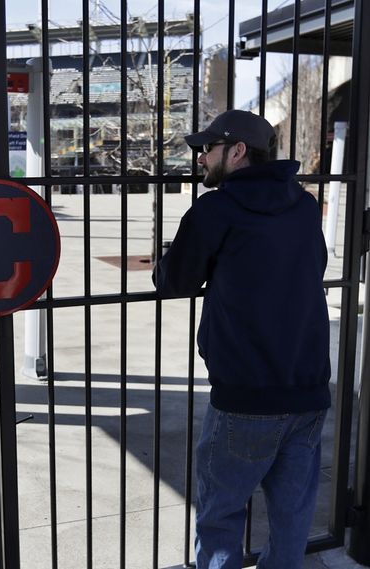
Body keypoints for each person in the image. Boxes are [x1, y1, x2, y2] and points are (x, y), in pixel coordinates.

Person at [153, 109, 330, 568]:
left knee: (221, 517)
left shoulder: (217, 208)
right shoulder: (305, 204)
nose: (200, 159)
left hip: (245, 396)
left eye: (205, 149)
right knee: (292, 518)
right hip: (309, 388)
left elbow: (174, 281)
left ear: (236, 151)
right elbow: (315, 267)